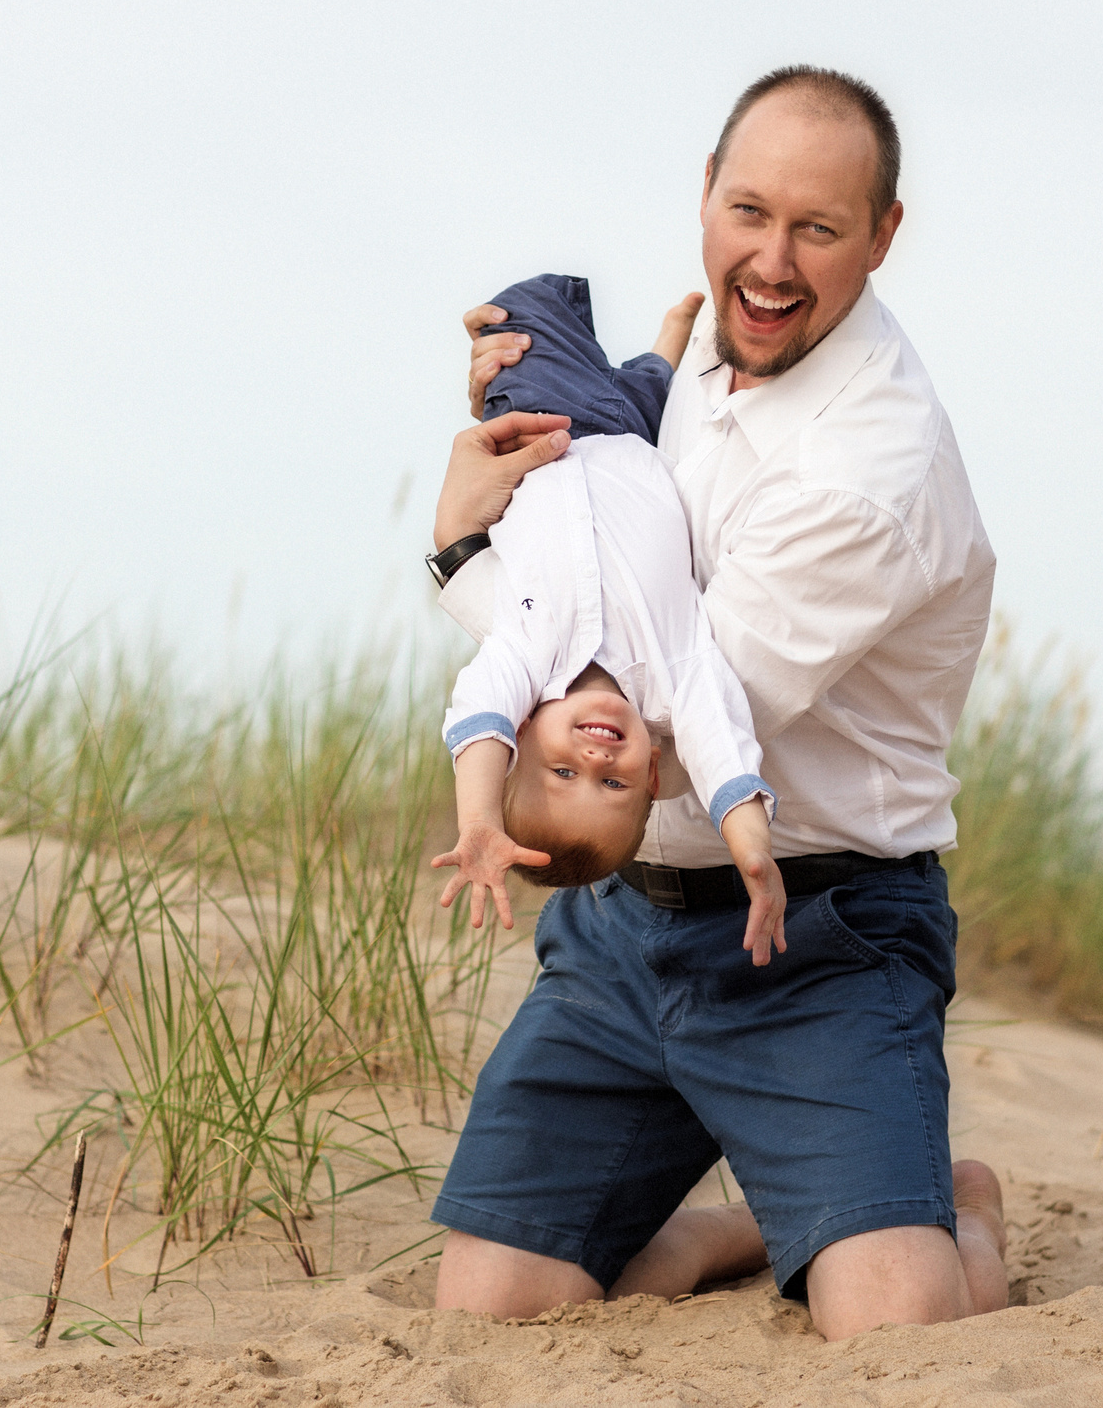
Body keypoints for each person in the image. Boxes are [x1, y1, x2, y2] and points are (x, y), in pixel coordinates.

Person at [425, 66, 1003, 1340]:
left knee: (899, 1326)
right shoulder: (702, 364)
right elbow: (604, 540)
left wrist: (461, 563)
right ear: (705, 194)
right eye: (748, 211)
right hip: (624, 931)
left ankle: (941, 1213)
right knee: (487, 1304)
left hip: (820, 936)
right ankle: (746, 1224)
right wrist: (530, 437)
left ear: (882, 237)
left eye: (819, 228)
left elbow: (661, 734)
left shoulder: (870, 465)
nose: (771, 261)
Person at [432, 272, 784, 963]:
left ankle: (550, 320)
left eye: (562, 773)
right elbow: (721, 747)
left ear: (524, 734)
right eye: (614, 783)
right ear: (653, 773)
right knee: (651, 388)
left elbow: (476, 717)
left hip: (552, 421)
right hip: (637, 439)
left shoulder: (526, 657)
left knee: (524, 313)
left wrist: (477, 820)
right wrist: (751, 849)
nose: (594, 759)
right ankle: (667, 346)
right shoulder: (675, 679)